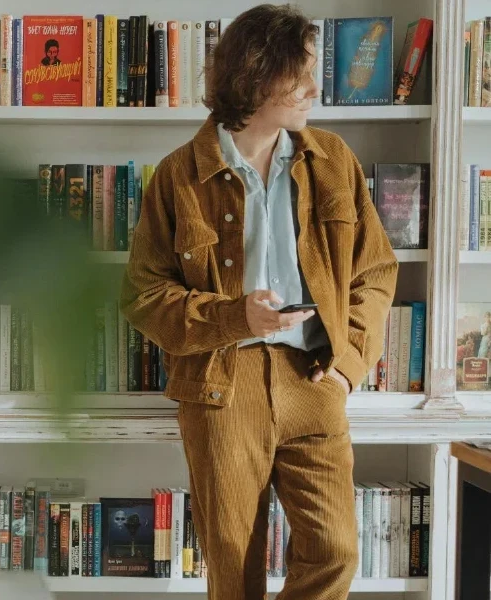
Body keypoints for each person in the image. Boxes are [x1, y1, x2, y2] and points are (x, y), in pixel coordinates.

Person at [119, 4, 398, 599]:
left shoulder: (333, 161)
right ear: (254, 77)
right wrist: (233, 316)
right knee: (232, 567)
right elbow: (143, 296)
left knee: (336, 554)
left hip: (314, 375)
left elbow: (374, 271)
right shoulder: (178, 177)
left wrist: (349, 367)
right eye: (298, 76)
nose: (313, 89)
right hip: (224, 384)